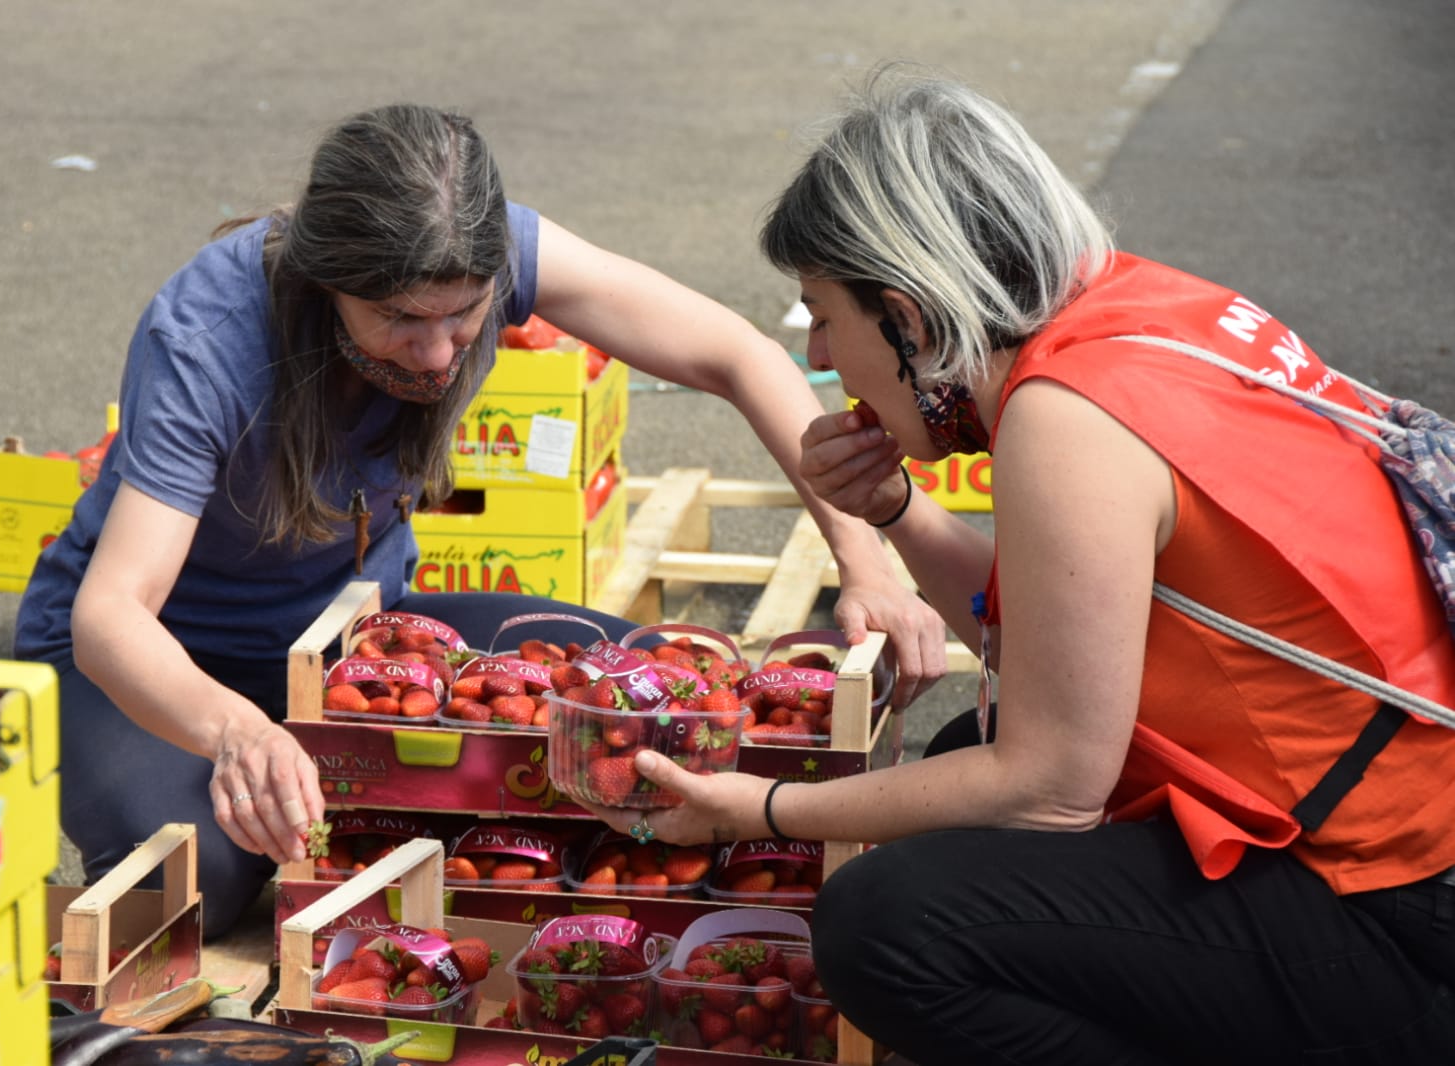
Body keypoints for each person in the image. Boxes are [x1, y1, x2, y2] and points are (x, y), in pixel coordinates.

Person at [586, 70, 1455, 1062]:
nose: (822, 356)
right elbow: (1036, 640)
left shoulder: (1066, 418)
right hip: (1396, 838)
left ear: (906, 316)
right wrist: (898, 508)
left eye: (822, 314)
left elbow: (1052, 785)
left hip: (1398, 913)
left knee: (888, 927)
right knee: (967, 741)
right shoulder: (1133, 308)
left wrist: (765, 808)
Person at [13, 103, 946, 939]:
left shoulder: (500, 254)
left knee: (644, 716)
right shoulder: (208, 339)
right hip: (159, 659)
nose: (435, 353)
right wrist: (237, 731)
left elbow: (738, 355)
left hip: (355, 640)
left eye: (463, 318)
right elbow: (113, 616)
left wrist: (865, 566)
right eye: (398, 322)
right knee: (202, 887)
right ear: (324, 278)